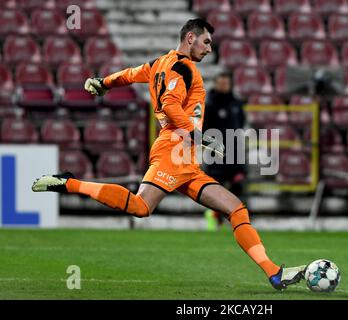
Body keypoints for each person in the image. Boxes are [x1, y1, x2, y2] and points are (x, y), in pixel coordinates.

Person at [31, 18, 305, 291]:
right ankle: (69, 182)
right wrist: (199, 135)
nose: (210, 49)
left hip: (186, 158)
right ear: (190, 38)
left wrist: (104, 82)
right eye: (206, 42)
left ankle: (274, 272)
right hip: (174, 150)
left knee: (236, 208)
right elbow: (170, 105)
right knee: (140, 207)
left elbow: (129, 74)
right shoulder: (183, 69)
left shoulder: (157, 64)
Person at [202, 72, 246, 230]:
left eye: (226, 83)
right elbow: (204, 129)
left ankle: (234, 218)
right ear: (215, 84)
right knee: (216, 190)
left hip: (235, 153)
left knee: (238, 184)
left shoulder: (237, 103)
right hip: (216, 154)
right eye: (220, 83)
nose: (223, 86)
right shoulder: (210, 104)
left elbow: (240, 124)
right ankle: (214, 216)